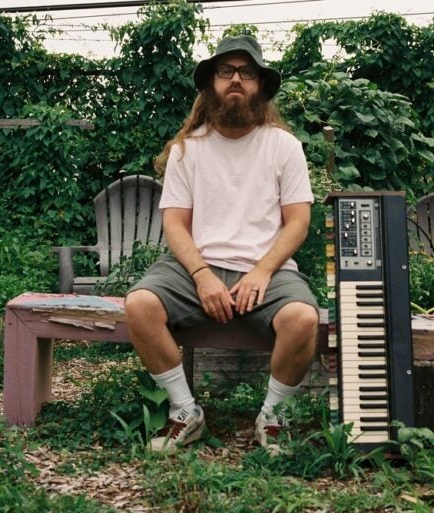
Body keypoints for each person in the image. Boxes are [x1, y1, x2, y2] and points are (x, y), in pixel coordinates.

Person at [124, 34, 319, 455]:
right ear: (211, 83)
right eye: (226, 71)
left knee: (303, 319)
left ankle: (272, 416)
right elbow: (175, 224)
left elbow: (298, 222)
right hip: (195, 267)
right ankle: (185, 411)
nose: (236, 80)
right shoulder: (186, 151)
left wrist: (263, 270)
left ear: (261, 86)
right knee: (139, 305)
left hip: (266, 269)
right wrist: (201, 275)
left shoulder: (284, 147)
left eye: (246, 72)